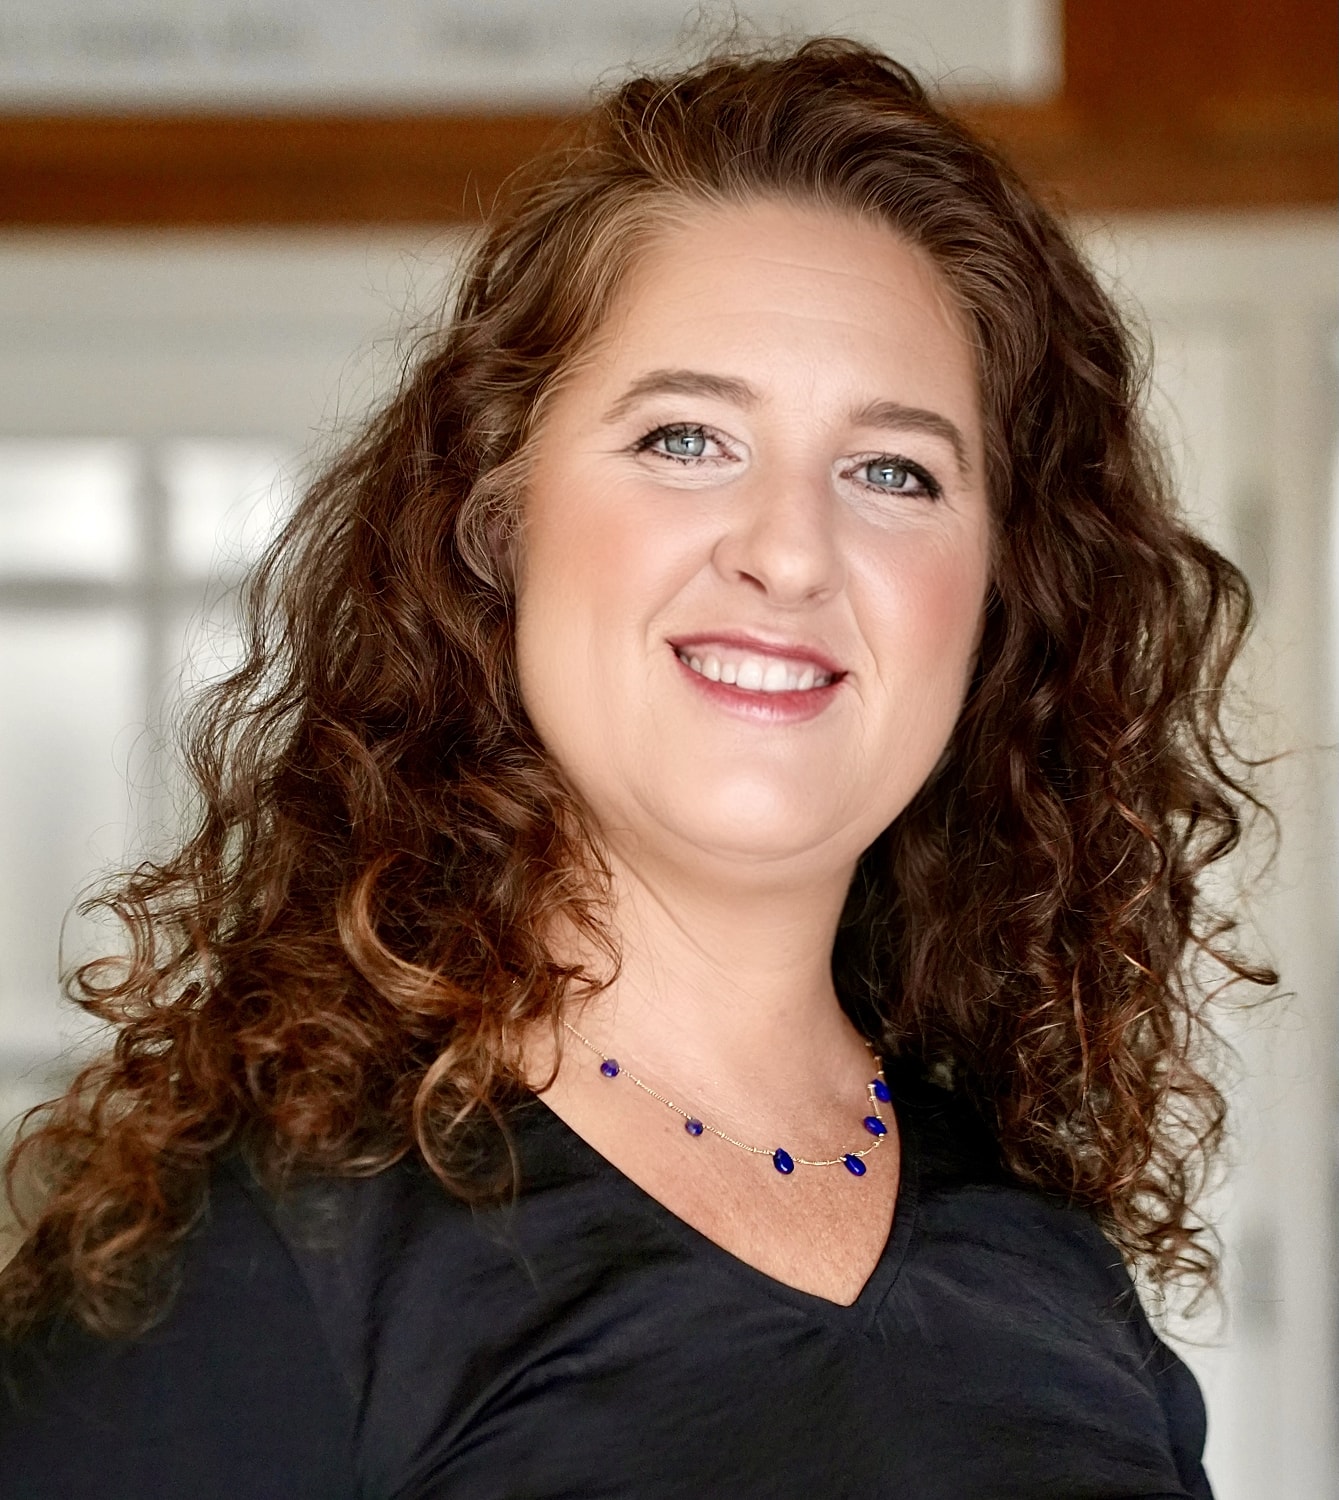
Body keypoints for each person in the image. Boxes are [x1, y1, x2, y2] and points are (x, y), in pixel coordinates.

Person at [0, 39, 1269, 1499]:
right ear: (496, 520)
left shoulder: (1057, 1276)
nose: (789, 550)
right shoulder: (269, 1261)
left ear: (999, 598)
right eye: (686, 438)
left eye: (896, 471)